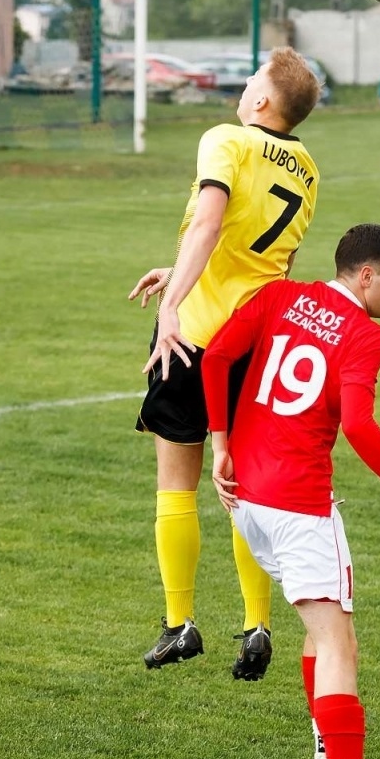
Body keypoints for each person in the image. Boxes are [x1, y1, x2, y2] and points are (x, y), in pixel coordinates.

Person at [202, 223, 380, 759]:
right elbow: (358, 425)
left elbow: (218, 356)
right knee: (340, 645)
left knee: (321, 632)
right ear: (366, 275)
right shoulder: (365, 334)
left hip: (248, 503)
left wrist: (220, 445)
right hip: (301, 508)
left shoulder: (280, 296)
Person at [128, 48, 324, 679]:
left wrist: (172, 306)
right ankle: (256, 623)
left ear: (262, 101)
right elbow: (262, 258)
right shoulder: (307, 168)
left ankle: (179, 623)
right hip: (257, 346)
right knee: (240, 486)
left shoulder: (226, 139)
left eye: (251, 80)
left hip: (197, 336)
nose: (243, 87)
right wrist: (178, 269)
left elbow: (210, 223)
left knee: (176, 483)